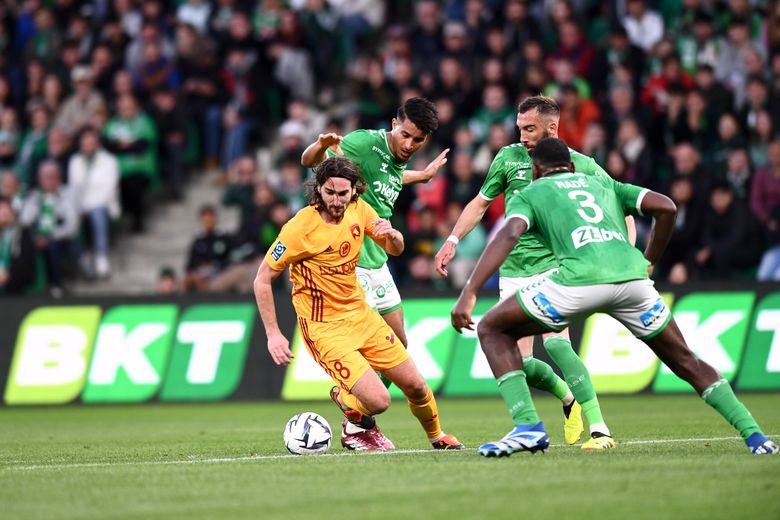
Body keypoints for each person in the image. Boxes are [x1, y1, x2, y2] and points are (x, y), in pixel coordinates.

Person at [451, 137, 779, 457]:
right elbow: (666, 206)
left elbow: (509, 233)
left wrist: (470, 291)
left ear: (536, 168)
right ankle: (755, 436)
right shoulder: (604, 184)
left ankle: (527, 427)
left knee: (493, 329)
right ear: (570, 163)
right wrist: (649, 260)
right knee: (686, 361)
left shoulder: (532, 191)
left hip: (577, 282)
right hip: (631, 281)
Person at [435, 96, 627, 449]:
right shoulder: (507, 158)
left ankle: (601, 429)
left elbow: (620, 202)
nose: (521, 135)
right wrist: (452, 238)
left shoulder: (579, 164)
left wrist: (627, 252)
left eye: (529, 128)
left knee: (557, 344)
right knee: (520, 363)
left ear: (552, 128)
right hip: (512, 271)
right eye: (519, 127)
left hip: (555, 266)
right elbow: (480, 203)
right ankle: (567, 397)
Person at [254, 156, 463, 451]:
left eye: (343, 193)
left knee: (416, 385)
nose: (337, 200)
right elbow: (262, 279)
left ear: (354, 190)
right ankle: (346, 403)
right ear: (318, 190)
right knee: (379, 401)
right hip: (324, 328)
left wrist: (394, 235)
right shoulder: (299, 228)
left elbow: (395, 249)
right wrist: (273, 333)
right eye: (330, 192)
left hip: (362, 316)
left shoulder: (359, 209)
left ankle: (437, 436)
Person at [300, 97, 449, 383]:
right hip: (351, 263)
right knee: (368, 351)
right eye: (404, 135)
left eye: (417, 140)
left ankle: (358, 414)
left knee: (397, 346)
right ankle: (357, 417)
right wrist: (320, 145)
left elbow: (387, 177)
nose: (408, 145)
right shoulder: (364, 144)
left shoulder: (395, 159)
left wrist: (423, 177)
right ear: (394, 125)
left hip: (377, 262)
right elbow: (309, 162)